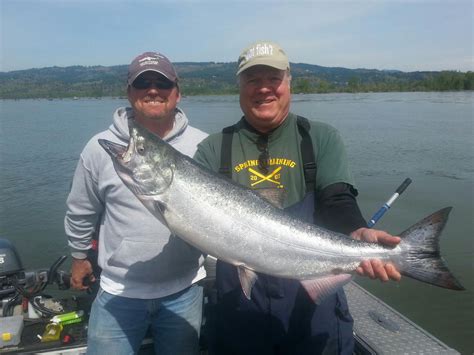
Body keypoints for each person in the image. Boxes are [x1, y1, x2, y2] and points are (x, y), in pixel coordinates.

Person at [194, 41, 401, 354]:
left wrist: (357, 231)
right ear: (239, 87)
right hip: (240, 308)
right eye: (253, 80)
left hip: (312, 306)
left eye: (273, 79)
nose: (264, 89)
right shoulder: (213, 148)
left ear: (288, 83)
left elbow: (337, 200)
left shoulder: (319, 137)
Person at [65, 52, 208, 355]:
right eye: (143, 83)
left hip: (186, 289)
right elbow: (81, 208)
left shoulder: (204, 145)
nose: (153, 90)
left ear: (177, 93)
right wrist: (79, 256)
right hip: (119, 292)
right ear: (129, 93)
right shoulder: (100, 148)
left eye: (162, 83)